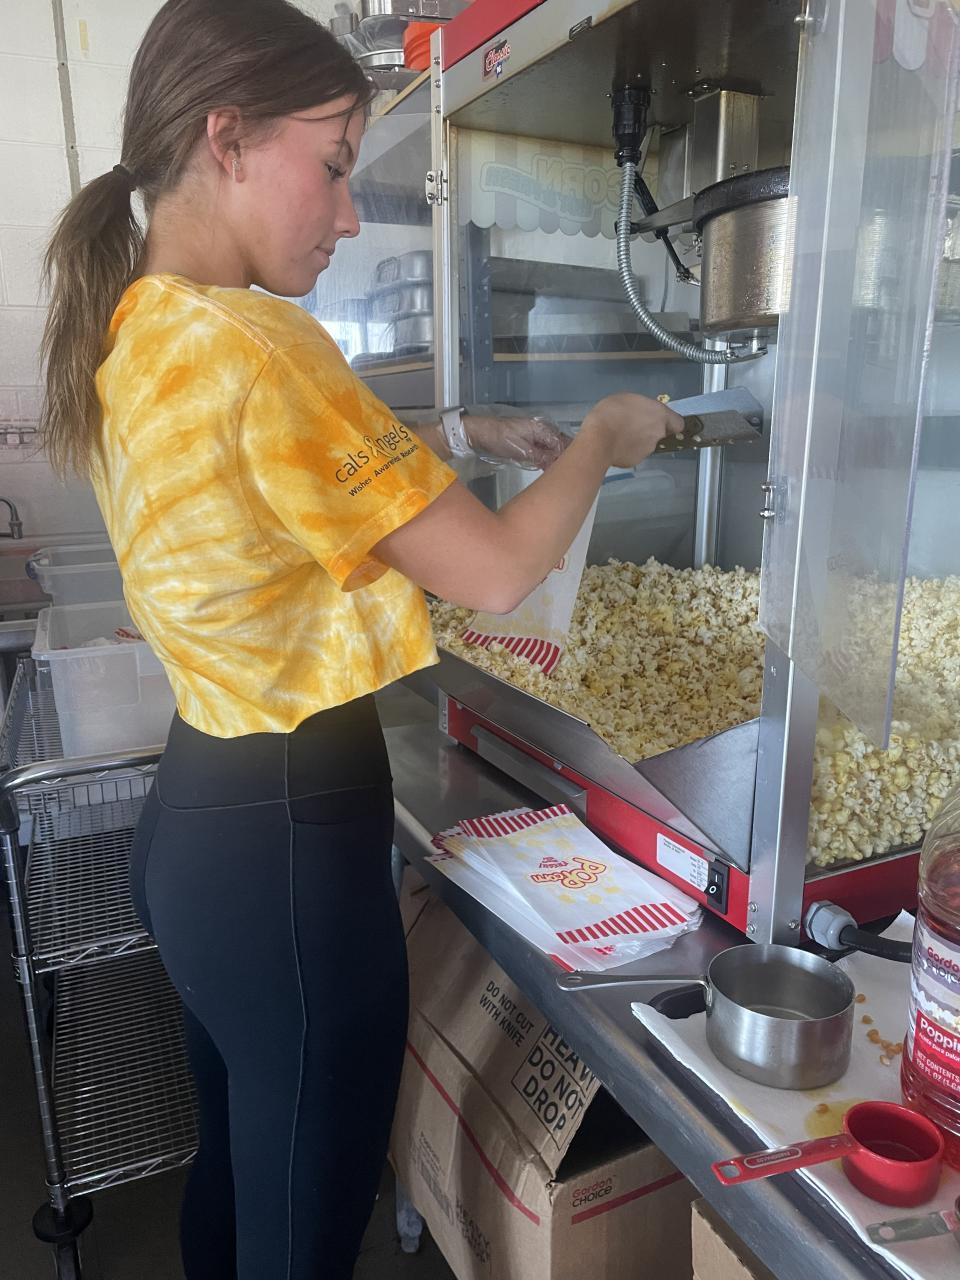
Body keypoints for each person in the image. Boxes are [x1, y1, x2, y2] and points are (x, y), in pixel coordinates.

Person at [39, 2, 683, 1276]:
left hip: (199, 829)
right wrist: (608, 433)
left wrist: (458, 431)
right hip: (290, 855)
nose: (346, 214)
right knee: (302, 1231)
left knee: (237, 1173)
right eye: (334, 165)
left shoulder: (141, 324)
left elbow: (275, 468)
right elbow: (497, 571)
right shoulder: (263, 340)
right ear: (226, 137)